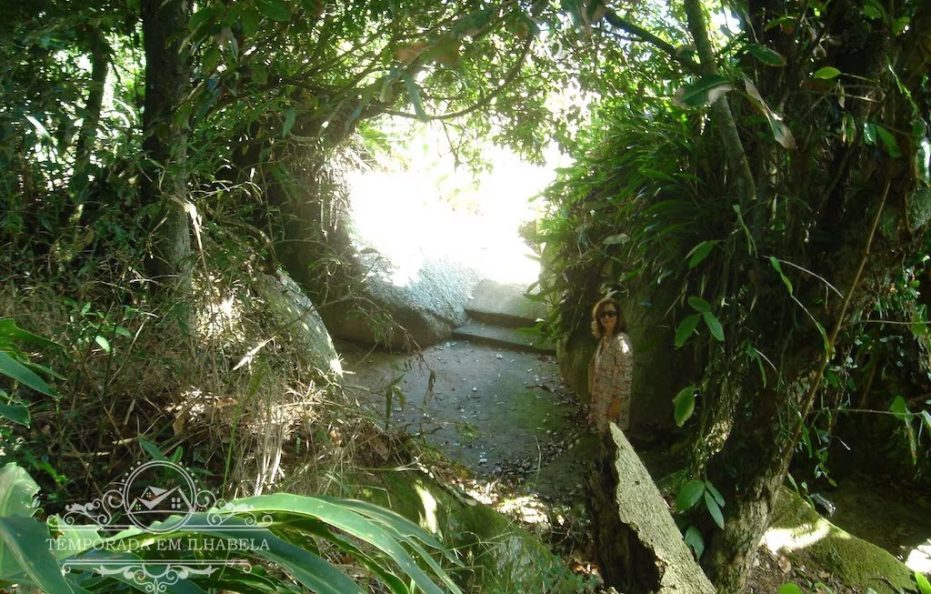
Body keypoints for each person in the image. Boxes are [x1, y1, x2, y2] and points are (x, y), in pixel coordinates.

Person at [587, 296, 633, 433]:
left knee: (616, 437)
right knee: (604, 435)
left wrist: (617, 403)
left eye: (611, 313)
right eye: (602, 314)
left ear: (618, 317)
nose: (606, 317)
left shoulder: (621, 342)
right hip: (602, 399)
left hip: (613, 402)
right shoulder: (605, 339)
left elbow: (626, 376)